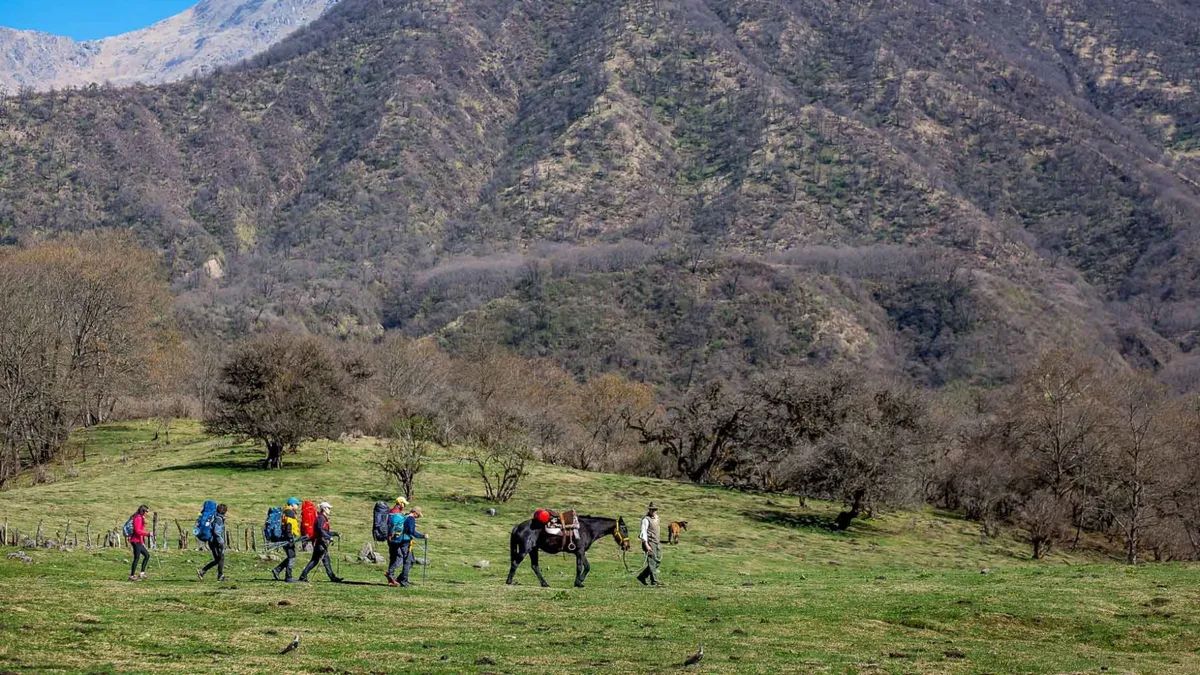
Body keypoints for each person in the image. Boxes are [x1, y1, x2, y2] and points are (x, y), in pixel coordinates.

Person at [299, 501, 343, 583]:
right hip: (320, 543)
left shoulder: (322, 518)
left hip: (320, 542)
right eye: (328, 508)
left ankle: (303, 576)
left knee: (319, 561)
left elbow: (324, 531)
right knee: (318, 561)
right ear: (324, 509)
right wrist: (329, 537)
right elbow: (320, 530)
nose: (330, 510)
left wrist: (335, 534)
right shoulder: (321, 518)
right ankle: (332, 578)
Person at [396, 506, 427, 587]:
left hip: (403, 541)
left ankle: (400, 578)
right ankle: (403, 580)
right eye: (418, 515)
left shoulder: (405, 516)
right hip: (405, 542)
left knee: (412, 560)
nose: (418, 517)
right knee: (408, 561)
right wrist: (423, 536)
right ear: (415, 513)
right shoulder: (411, 519)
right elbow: (412, 531)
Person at [198, 503, 228, 581]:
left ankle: (203, 571)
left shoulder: (214, 516)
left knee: (218, 559)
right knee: (221, 558)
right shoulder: (219, 519)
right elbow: (216, 531)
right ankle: (220, 576)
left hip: (211, 541)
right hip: (216, 541)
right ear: (224, 511)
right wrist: (221, 542)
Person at [272, 503, 301, 582]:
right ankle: (288, 577)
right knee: (292, 557)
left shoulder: (285, 511)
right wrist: (290, 538)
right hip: (288, 538)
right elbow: (289, 526)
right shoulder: (289, 512)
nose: (298, 506)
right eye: (297, 504)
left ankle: (277, 570)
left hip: (285, 538)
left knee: (290, 556)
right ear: (292, 504)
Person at [385, 497, 409, 586]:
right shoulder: (395, 513)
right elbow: (392, 525)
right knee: (400, 557)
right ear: (400, 503)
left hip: (392, 538)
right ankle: (390, 574)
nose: (404, 506)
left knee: (394, 557)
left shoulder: (392, 512)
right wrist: (390, 536)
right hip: (394, 539)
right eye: (404, 504)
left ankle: (391, 580)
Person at [637, 502, 662, 587]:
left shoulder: (657, 518)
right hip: (649, 543)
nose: (654, 511)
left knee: (657, 561)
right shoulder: (646, 519)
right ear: (649, 510)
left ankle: (642, 576)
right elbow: (643, 532)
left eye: (655, 509)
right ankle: (654, 581)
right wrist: (646, 545)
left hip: (657, 542)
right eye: (652, 509)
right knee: (652, 562)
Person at [128, 504, 151, 581]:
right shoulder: (138, 518)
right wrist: (147, 534)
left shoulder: (140, 517)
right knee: (137, 558)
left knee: (147, 555)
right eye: (146, 511)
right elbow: (137, 531)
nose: (147, 513)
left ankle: (142, 573)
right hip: (135, 540)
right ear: (143, 511)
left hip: (139, 541)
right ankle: (131, 576)